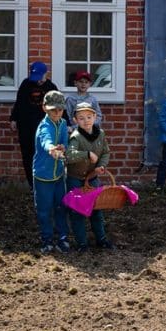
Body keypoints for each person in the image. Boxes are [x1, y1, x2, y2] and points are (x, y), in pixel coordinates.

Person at [64, 102, 113, 252]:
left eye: (89, 117)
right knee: (77, 212)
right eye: (81, 118)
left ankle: (101, 239)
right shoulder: (76, 137)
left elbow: (105, 152)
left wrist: (101, 166)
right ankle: (82, 243)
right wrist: (86, 154)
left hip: (92, 179)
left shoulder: (100, 134)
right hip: (75, 179)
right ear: (75, 120)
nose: (86, 121)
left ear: (95, 117)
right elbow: (69, 155)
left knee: (96, 210)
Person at [33, 90, 70, 253]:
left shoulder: (62, 123)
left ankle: (62, 238)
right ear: (44, 108)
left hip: (59, 174)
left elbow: (65, 142)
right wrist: (51, 149)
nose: (57, 113)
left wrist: (62, 147)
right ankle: (46, 239)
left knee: (61, 207)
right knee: (44, 209)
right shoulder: (44, 126)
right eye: (53, 109)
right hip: (43, 175)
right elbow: (45, 140)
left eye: (60, 109)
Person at [10, 61, 58, 185]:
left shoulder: (51, 87)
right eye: (35, 78)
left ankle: (44, 182)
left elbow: (58, 107)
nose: (38, 81)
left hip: (44, 127)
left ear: (46, 74)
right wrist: (13, 118)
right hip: (25, 125)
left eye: (40, 77)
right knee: (28, 155)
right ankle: (32, 184)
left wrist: (66, 123)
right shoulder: (26, 84)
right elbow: (19, 102)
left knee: (44, 154)